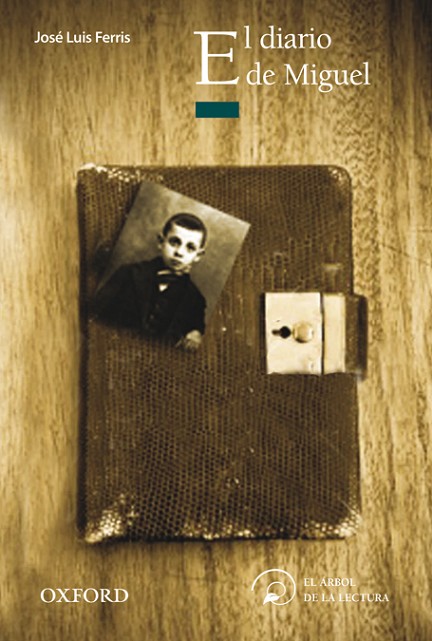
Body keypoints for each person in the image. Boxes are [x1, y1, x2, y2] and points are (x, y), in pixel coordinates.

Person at [92, 213, 207, 350]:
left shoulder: (195, 300)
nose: (180, 252)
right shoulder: (129, 273)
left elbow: (196, 329)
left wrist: (195, 334)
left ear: (198, 255)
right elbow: (94, 313)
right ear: (161, 242)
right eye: (174, 242)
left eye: (190, 248)